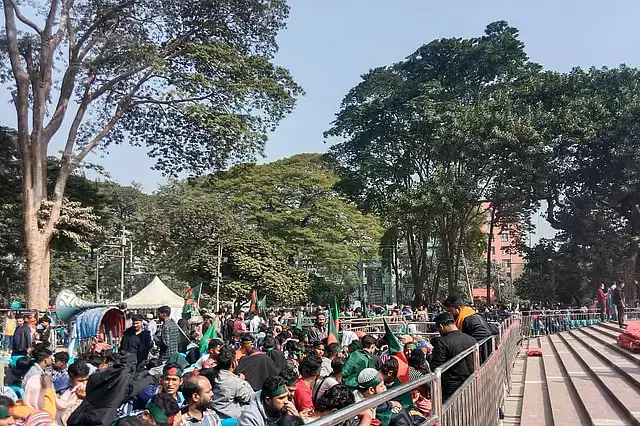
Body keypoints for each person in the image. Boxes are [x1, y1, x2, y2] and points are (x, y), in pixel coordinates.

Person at [429, 313, 477, 401]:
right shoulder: (472, 339)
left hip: (451, 389)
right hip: (471, 383)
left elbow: (436, 367)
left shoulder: (442, 342)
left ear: (441, 326)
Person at [209, 345, 254, 419]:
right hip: (231, 418)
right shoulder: (235, 382)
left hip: (214, 415)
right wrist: (243, 381)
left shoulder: (210, 374)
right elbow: (250, 397)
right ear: (233, 364)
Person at [55, 361, 90, 426]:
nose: (85, 383)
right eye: (81, 381)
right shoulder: (65, 393)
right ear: (71, 380)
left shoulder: (91, 394)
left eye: (87, 379)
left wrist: (81, 399)